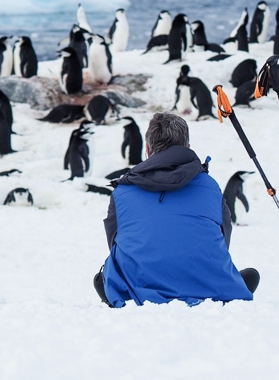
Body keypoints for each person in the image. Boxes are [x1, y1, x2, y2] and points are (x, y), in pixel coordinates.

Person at [95, 112, 258, 307]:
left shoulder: (123, 191)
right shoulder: (209, 186)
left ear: (147, 149)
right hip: (206, 287)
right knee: (249, 276)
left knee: (101, 279)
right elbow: (222, 239)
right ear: (188, 147)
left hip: (139, 289)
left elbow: (116, 244)